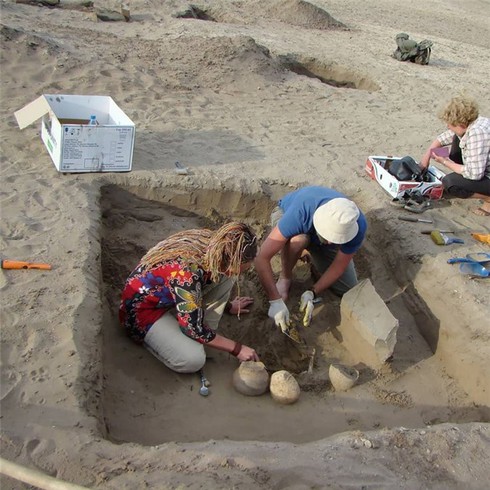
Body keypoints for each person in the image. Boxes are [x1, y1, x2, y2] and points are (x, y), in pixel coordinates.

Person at [119, 222, 260, 373]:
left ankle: (205, 330)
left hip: (166, 294)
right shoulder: (187, 274)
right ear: (231, 260)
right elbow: (192, 329)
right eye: (242, 267)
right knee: (193, 359)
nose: (243, 271)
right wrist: (237, 349)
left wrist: (228, 306)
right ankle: (168, 340)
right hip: (141, 312)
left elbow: (214, 276)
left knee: (227, 276)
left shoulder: (217, 246)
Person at [254, 186, 367, 331]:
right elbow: (261, 257)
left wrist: (312, 292)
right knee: (299, 240)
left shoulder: (356, 225)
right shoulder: (301, 212)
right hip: (287, 215)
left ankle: (309, 250)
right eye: (329, 236)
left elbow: (339, 266)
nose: (330, 242)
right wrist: (275, 300)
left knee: (347, 288)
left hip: (316, 233)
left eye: (336, 238)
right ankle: (285, 278)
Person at [420, 95, 490, 216]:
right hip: (481, 167)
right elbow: (444, 137)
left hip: (481, 173)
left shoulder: (477, 134)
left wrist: (445, 162)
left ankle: (488, 199)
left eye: (450, 124)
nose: (448, 126)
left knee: (451, 183)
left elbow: (474, 174)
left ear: (461, 124)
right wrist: (426, 157)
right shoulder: (476, 122)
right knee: (455, 144)